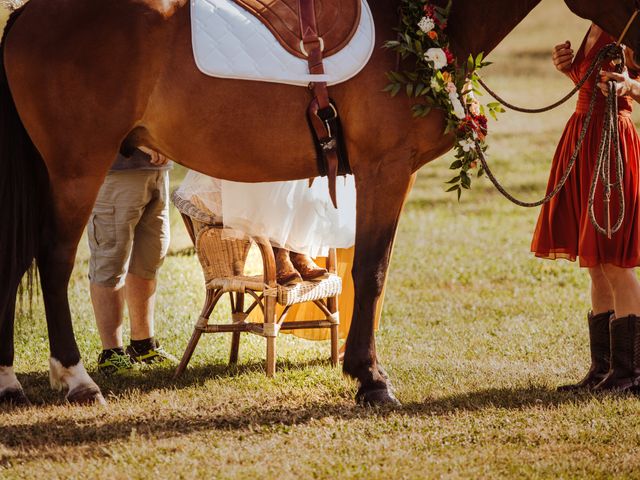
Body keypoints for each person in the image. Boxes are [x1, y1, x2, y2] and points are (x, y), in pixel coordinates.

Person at [531, 24, 640, 392]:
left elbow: (626, 87)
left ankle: (631, 375)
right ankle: (604, 370)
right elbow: (594, 85)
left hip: (611, 143)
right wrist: (570, 70)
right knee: (595, 263)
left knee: (613, 258)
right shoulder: (597, 22)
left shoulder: (631, 24)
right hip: (583, 138)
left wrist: (631, 86)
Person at [88, 147, 176, 375]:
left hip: (159, 171)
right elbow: (103, 114)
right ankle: (112, 354)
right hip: (117, 172)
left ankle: (143, 345)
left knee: (150, 257)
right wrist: (144, 142)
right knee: (110, 260)